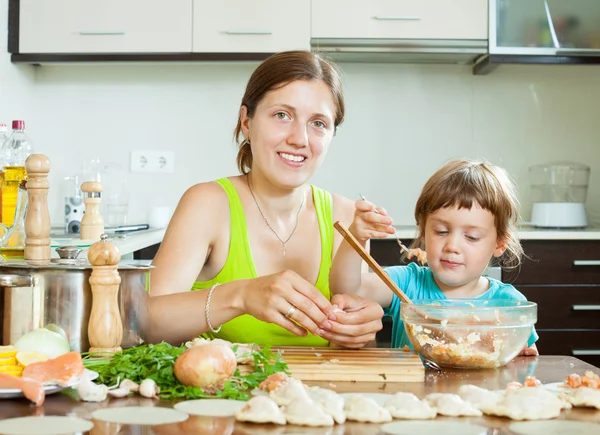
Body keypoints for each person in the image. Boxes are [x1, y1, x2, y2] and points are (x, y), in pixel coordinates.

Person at [147, 50, 383, 348]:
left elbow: (355, 335)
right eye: (282, 115)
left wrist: (360, 330)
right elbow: (147, 322)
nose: (300, 138)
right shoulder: (208, 204)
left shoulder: (348, 217)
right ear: (246, 121)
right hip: (220, 393)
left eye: (318, 123)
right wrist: (241, 295)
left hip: (318, 394)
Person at [330, 159, 539, 355]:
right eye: (441, 231)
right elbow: (349, 289)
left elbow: (526, 360)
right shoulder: (407, 283)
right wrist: (356, 237)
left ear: (499, 243)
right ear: (423, 231)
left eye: (471, 237)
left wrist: (522, 355)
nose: (452, 246)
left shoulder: (509, 304)